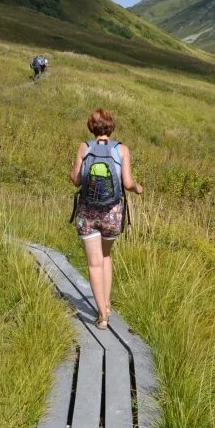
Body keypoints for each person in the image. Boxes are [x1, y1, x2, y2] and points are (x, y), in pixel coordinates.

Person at [69, 107, 143, 329]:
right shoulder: (122, 150)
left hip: (87, 213)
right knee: (106, 257)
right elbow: (128, 184)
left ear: (91, 127)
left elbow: (75, 180)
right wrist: (139, 188)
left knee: (94, 264)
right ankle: (106, 305)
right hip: (112, 214)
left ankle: (102, 315)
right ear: (111, 127)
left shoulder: (85, 147)